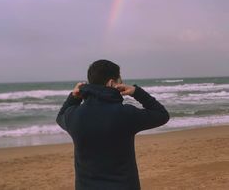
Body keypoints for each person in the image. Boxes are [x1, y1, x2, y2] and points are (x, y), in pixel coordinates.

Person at [56, 59, 170, 190]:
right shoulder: (126, 114)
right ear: (111, 83)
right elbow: (161, 114)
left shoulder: (73, 115)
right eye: (119, 81)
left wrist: (74, 96)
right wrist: (136, 92)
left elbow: (60, 116)